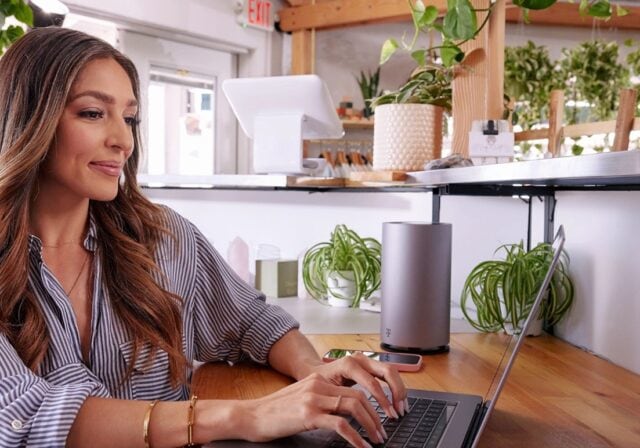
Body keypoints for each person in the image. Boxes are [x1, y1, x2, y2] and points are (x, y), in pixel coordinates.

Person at [0, 27, 407, 448]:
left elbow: (252, 321)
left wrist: (312, 368)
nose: (122, 140)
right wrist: (244, 415)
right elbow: (24, 419)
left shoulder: (164, 237)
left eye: (130, 118)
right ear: (30, 118)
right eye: (92, 113)